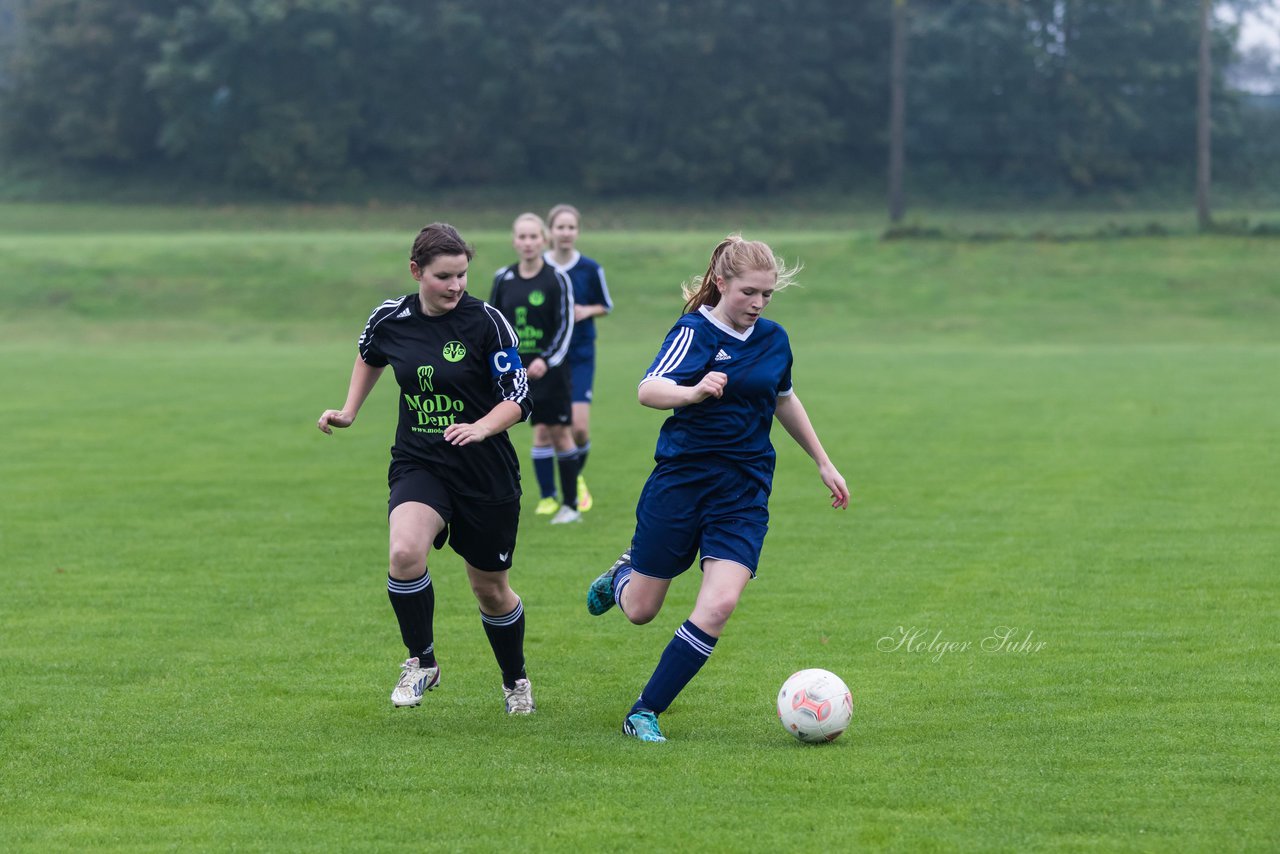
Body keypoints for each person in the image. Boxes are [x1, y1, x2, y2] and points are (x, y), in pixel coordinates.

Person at [585, 234, 850, 743]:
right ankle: (621, 576)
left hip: (744, 492)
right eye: (749, 292)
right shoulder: (693, 332)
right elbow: (648, 389)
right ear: (722, 282)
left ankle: (644, 711)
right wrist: (692, 391)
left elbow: (784, 399)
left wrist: (823, 461)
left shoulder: (774, 339)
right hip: (682, 485)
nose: (758, 303)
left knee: (720, 604)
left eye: (767, 295)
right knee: (641, 610)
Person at [317, 222, 537, 715]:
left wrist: (481, 427)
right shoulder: (389, 318)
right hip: (421, 461)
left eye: (461, 275)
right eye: (444, 276)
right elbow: (370, 355)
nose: (456, 286)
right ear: (416, 271)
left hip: (486, 473)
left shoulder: (488, 323)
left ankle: (514, 679)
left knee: (491, 589)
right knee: (404, 552)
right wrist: (350, 410)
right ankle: (422, 662)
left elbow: (520, 397)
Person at [490, 212, 581, 525]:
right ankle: (523, 498)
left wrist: (547, 359)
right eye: (522, 237)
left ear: (544, 240)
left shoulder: (557, 278)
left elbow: (565, 326)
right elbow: (492, 326)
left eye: (533, 237)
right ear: (514, 241)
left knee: (558, 433)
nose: (528, 243)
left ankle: (570, 506)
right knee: (499, 432)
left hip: (551, 373)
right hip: (513, 372)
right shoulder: (503, 278)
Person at [544, 204, 613, 513]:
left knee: (580, 428)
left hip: (581, 354)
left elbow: (606, 305)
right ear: (550, 232)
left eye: (571, 227)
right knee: (548, 431)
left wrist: (587, 310)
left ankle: (574, 477)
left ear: (577, 232)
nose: (566, 233)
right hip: (548, 358)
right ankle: (559, 494)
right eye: (560, 227)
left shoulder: (589, 268)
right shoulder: (540, 269)